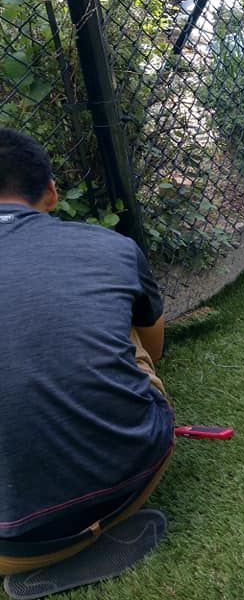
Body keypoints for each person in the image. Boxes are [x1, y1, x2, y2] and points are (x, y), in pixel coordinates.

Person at [0, 128, 173, 576]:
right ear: (52, 194)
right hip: (130, 481)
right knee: (128, 327)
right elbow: (154, 348)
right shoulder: (111, 247)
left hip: (10, 549)